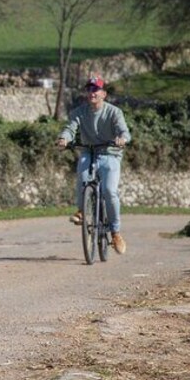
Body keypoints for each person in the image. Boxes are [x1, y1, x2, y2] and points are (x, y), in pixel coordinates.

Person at [56, 74, 131, 254]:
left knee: (109, 191)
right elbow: (70, 128)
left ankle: (115, 232)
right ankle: (82, 211)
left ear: (103, 94)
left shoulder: (114, 112)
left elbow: (125, 132)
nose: (92, 93)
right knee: (82, 178)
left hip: (110, 154)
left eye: (96, 89)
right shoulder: (79, 112)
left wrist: (122, 139)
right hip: (88, 152)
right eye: (89, 89)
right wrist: (64, 139)